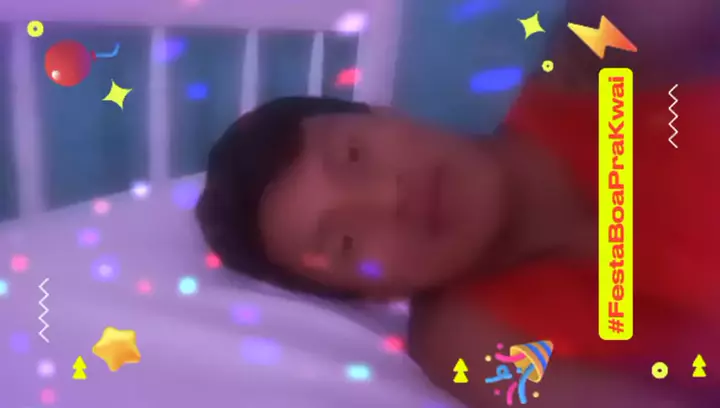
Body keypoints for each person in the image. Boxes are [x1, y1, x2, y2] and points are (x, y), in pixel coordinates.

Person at [195, 1, 720, 406]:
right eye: (348, 242)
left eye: (355, 156)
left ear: (387, 114)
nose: (390, 199)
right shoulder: (469, 343)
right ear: (373, 292)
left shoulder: (596, 59)